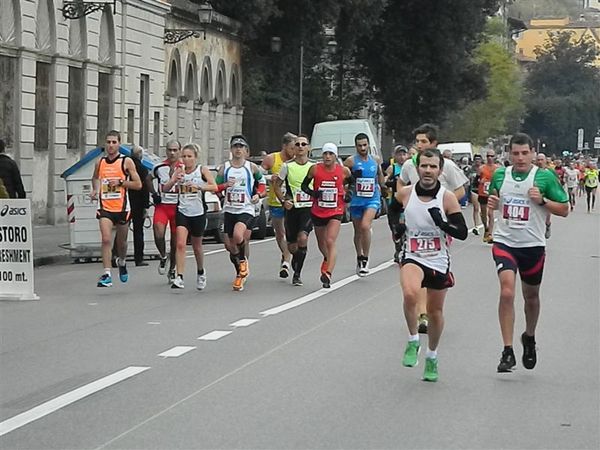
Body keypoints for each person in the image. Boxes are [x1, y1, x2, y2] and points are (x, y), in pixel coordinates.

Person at [487, 133, 569, 373]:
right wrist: (493, 203)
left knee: (531, 297)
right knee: (507, 291)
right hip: (505, 242)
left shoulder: (544, 177)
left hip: (532, 245)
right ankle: (507, 350)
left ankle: (529, 337)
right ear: (509, 154)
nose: (520, 158)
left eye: (525, 153)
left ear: (533, 153)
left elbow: (564, 209)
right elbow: (493, 199)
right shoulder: (500, 175)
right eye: (515, 153)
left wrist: (542, 201)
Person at [395, 148, 468, 382]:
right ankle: (413, 340)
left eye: (433, 166)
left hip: (437, 258)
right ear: (417, 168)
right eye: (424, 166)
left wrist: (442, 224)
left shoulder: (446, 197)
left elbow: (463, 232)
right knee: (410, 294)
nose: (428, 170)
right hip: (413, 255)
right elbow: (393, 208)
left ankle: (432, 356)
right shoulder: (406, 194)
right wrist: (397, 229)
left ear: (440, 170)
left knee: (435, 313)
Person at [398, 123, 468, 334]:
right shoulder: (410, 165)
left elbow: (461, 190)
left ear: (434, 144)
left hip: (439, 224)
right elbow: (400, 185)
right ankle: (422, 314)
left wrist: (442, 207)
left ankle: (430, 306)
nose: (419, 145)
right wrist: (403, 210)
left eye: (424, 142)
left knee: (430, 263)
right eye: (417, 141)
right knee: (414, 269)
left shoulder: (447, 166)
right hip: (414, 223)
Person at [161, 143, 217, 290]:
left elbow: (214, 186)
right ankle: (179, 276)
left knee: (197, 246)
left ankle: (200, 271)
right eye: (184, 156)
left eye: (189, 156)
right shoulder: (179, 170)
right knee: (180, 243)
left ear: (195, 157)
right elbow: (165, 189)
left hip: (198, 212)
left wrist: (199, 187)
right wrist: (174, 180)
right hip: (182, 211)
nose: (186, 159)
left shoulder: (201, 170)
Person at [91, 130, 142, 287]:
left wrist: (121, 183)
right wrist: (95, 190)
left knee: (122, 242)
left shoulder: (126, 162)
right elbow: (95, 178)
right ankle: (107, 274)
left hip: (121, 208)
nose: (111, 145)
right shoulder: (100, 162)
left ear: (119, 144)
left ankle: (122, 261)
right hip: (105, 207)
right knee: (106, 239)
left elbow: (138, 184)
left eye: (114, 142)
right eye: (108, 142)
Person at [216, 135, 266, 291]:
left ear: (246, 150)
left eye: (241, 147)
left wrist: (258, 194)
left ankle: (243, 263)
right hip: (229, 209)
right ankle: (239, 271)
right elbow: (216, 186)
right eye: (235, 147)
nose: (238, 149)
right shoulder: (225, 168)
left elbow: (262, 182)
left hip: (246, 208)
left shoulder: (251, 167)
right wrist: (223, 189)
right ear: (231, 150)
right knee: (229, 245)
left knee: (239, 235)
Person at [301, 143, 352, 288]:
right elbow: (304, 186)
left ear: (335, 156)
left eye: (330, 154)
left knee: (330, 241)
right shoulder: (315, 169)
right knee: (322, 244)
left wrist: (350, 193)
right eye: (325, 154)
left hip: (336, 210)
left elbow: (352, 182)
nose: (327, 157)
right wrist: (313, 193)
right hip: (318, 211)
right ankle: (327, 258)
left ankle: (328, 273)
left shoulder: (343, 171)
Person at [272, 134, 316, 286]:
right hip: (292, 209)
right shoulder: (287, 166)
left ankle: (297, 274)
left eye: (304, 144)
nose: (301, 147)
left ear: (308, 148)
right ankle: (295, 261)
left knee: (303, 238)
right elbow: (276, 185)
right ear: (294, 148)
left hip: (308, 208)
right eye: (297, 144)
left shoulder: (314, 166)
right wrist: (284, 201)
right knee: (292, 246)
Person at [344, 133, 387, 276]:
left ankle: (365, 259)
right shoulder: (350, 161)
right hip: (357, 201)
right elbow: (342, 177)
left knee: (365, 226)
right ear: (355, 146)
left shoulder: (375, 160)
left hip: (372, 198)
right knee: (358, 231)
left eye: (364, 145)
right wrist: (351, 178)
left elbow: (379, 174)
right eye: (359, 145)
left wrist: (383, 187)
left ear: (368, 144)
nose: (362, 148)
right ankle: (359, 255)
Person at [262, 132, 296, 279]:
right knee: (280, 233)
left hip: (291, 202)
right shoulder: (271, 159)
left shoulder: (297, 162)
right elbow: (258, 176)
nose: (294, 151)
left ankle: (286, 261)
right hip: (275, 202)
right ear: (284, 146)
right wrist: (270, 177)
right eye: (292, 147)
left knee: (290, 234)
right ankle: (286, 257)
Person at [150, 140, 182, 282]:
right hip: (162, 206)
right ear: (166, 151)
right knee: (158, 233)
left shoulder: (184, 167)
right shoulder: (159, 166)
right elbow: (147, 178)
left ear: (179, 151)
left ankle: (172, 269)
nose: (172, 153)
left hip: (178, 207)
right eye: (170, 150)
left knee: (175, 243)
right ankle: (163, 256)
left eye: (175, 150)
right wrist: (154, 194)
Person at [384, 145, 408, 262]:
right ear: (395, 156)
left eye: (404, 154)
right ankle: (398, 247)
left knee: (405, 226)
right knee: (394, 228)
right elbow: (384, 181)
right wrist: (391, 183)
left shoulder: (410, 168)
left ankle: (405, 248)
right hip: (394, 203)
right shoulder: (392, 168)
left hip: (407, 203)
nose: (402, 157)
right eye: (399, 154)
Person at [128, 145, 150, 266]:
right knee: (138, 231)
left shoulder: (125, 167)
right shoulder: (142, 168)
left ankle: (115, 256)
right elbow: (145, 188)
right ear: (140, 155)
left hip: (125, 202)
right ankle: (139, 258)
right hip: (138, 204)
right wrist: (146, 206)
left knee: (122, 230)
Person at [478, 149, 499, 244]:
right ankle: (486, 228)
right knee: (483, 214)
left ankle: (490, 234)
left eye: (491, 156)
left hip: (491, 193)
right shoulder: (481, 168)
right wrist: (480, 181)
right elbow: (475, 180)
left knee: (490, 214)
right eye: (488, 156)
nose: (490, 158)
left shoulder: (497, 168)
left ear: (494, 157)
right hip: (482, 193)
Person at [535, 153, 554, 238]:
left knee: (547, 213)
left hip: (546, 196)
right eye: (538, 160)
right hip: (535, 197)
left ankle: (548, 224)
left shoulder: (550, 172)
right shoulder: (533, 171)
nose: (540, 162)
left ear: (545, 161)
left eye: (542, 160)